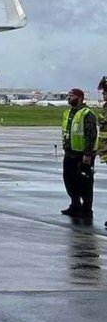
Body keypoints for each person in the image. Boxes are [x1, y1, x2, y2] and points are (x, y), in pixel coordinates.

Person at [60, 87, 97, 222]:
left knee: (85, 183)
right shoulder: (68, 113)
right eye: (69, 96)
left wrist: (88, 154)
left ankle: (87, 210)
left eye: (72, 96)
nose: (69, 98)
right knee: (69, 180)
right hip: (70, 153)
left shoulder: (87, 114)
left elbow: (91, 134)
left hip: (83, 155)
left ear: (80, 98)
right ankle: (75, 205)